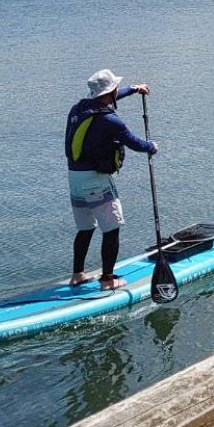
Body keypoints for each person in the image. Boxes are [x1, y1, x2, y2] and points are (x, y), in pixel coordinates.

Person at [65, 69, 157, 290]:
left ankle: (77, 274)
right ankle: (108, 279)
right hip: (95, 181)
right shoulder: (111, 121)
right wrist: (151, 147)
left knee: (86, 228)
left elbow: (109, 97)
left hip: (74, 178)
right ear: (110, 92)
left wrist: (134, 89)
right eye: (116, 88)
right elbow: (135, 143)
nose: (118, 90)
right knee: (112, 227)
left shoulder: (78, 109)